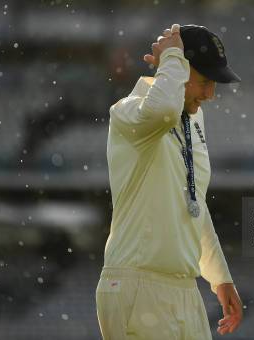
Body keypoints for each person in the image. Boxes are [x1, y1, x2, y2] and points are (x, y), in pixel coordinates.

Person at [96, 23, 243, 339]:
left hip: (182, 286)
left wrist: (219, 276)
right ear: (176, 68)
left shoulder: (192, 122)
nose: (210, 94)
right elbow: (162, 110)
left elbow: (193, 204)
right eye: (204, 81)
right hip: (137, 282)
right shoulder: (128, 113)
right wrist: (172, 58)